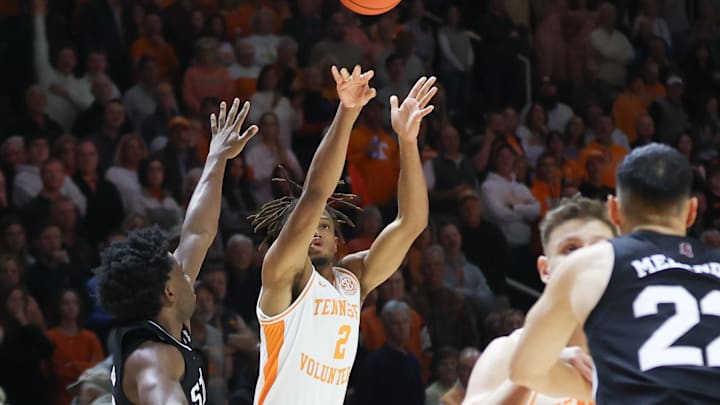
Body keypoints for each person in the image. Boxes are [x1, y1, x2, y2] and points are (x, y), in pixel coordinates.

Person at [249, 67, 436, 404]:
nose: (316, 231)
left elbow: (411, 224)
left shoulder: (353, 279)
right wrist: (347, 112)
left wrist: (407, 142)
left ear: (338, 241)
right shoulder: (282, 274)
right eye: (309, 225)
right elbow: (316, 192)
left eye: (325, 226)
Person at [510, 144, 720, 403]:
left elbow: (525, 370)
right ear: (691, 212)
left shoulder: (590, 264)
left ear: (613, 210)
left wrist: (593, 387)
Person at [95, 97, 259, 405]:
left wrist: (216, 158)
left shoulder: (164, 323)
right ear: (168, 293)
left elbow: (198, 232)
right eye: (180, 273)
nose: (190, 277)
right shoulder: (154, 357)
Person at [464, 195, 617, 404]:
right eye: (570, 248)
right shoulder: (508, 351)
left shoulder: (647, 350)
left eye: (598, 248)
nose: (584, 259)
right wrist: (533, 368)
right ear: (545, 270)